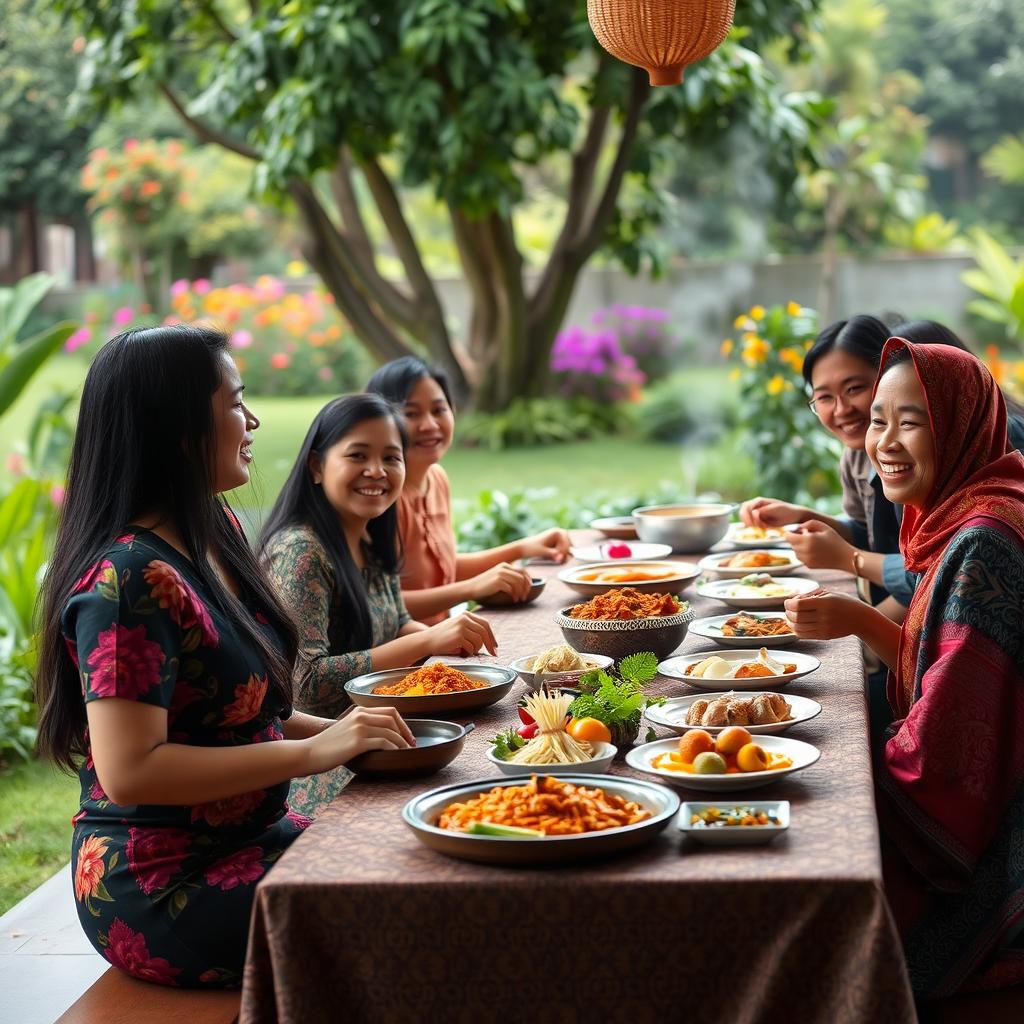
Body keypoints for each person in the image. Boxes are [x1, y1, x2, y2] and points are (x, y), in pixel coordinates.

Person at [35, 325, 413, 989]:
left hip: (255, 835)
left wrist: (351, 738)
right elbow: (131, 771)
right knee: (407, 911)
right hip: (166, 883)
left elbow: (242, 709)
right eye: (237, 402)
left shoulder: (215, 531)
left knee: (416, 849)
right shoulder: (128, 582)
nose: (254, 420)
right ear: (180, 426)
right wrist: (316, 752)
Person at [784, 339, 1024, 998]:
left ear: (957, 424)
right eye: (879, 420)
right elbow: (942, 676)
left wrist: (828, 793)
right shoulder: (970, 510)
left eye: (910, 421)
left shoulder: (982, 543)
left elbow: (943, 767)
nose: (882, 441)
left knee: (806, 861)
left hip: (1003, 853)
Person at [740, 316, 1024, 614]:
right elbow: (893, 544)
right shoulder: (870, 451)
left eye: (854, 388)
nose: (841, 410)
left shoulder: (961, 480)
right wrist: (809, 518)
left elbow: (931, 574)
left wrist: (853, 572)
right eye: (823, 397)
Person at [258, 393, 498, 717]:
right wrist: (427, 642)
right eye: (358, 455)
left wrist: (446, 642)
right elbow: (306, 684)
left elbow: (398, 622)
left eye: (391, 458)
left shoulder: (368, 537)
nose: (376, 471)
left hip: (383, 724)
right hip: (329, 753)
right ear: (317, 466)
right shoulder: (302, 553)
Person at [365, 357, 571, 624]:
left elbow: (443, 569)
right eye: (412, 413)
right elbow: (378, 606)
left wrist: (523, 548)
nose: (429, 425)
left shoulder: (436, 479)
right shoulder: (379, 496)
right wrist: (472, 588)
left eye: (439, 410)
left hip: (443, 644)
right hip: (409, 656)